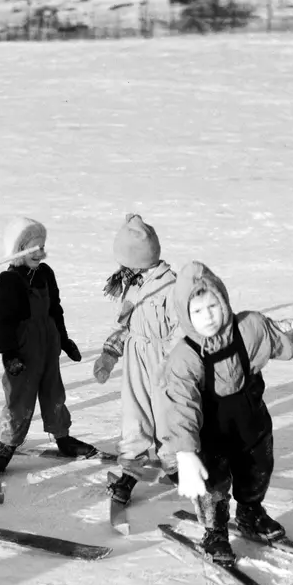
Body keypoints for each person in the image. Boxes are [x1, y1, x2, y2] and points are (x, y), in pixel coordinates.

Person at [158, 261, 293, 566]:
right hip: (210, 432)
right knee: (213, 482)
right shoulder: (185, 356)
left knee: (257, 469)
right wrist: (185, 453)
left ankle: (250, 513)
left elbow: (286, 334)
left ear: (223, 301)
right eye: (197, 311)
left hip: (250, 421)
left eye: (213, 306)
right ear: (185, 314)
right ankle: (215, 532)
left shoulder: (249, 328)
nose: (207, 316)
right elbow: (179, 406)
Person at [0, 217, 96, 478]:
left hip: (49, 344)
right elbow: (4, 322)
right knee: (20, 398)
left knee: (53, 392)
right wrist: (10, 355)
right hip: (23, 350)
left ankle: (63, 437)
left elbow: (55, 309)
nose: (41, 252)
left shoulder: (46, 274)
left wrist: (64, 339)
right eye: (34, 247)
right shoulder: (10, 281)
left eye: (42, 246)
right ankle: (7, 444)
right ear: (19, 249)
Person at [92, 213, 181, 509]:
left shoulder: (171, 286)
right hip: (135, 360)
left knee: (168, 415)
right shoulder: (132, 283)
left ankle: (178, 468)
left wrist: (181, 365)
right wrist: (109, 353)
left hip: (164, 361)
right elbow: (127, 326)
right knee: (135, 416)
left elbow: (183, 330)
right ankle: (129, 474)